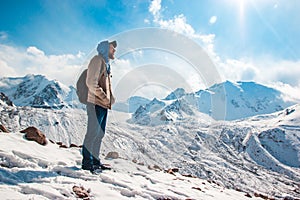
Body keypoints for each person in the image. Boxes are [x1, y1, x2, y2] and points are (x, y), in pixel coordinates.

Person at [81, 40, 117, 174]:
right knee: (92, 133)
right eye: (112, 48)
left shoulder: (106, 64)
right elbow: (91, 83)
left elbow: (104, 85)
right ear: (105, 48)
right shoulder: (97, 60)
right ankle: (87, 163)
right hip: (95, 103)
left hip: (102, 104)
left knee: (99, 134)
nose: (114, 51)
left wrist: (110, 97)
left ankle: (95, 161)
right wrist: (104, 97)